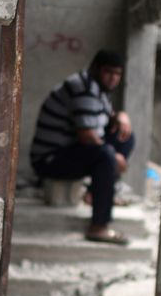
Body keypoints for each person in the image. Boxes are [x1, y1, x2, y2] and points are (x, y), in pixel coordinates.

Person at [30, 49, 135, 245]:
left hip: (71, 150)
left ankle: (94, 193)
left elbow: (109, 120)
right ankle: (99, 227)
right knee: (105, 155)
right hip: (49, 159)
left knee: (125, 136)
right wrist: (115, 158)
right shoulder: (83, 88)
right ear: (95, 68)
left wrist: (122, 116)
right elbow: (86, 136)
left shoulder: (97, 88)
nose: (113, 78)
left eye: (117, 74)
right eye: (108, 72)